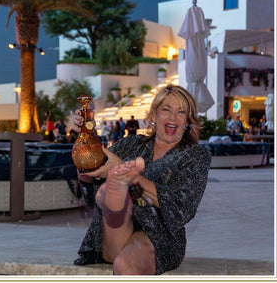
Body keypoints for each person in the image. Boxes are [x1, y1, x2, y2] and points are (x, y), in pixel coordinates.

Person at [72, 84, 212, 275]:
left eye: (181, 112)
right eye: (166, 110)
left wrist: (131, 177)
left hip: (158, 237)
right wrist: (86, 138)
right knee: (106, 191)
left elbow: (182, 207)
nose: (173, 117)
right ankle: (115, 189)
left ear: (187, 121)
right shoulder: (130, 144)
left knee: (125, 265)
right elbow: (90, 179)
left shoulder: (195, 156)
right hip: (114, 232)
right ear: (154, 116)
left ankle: (117, 186)